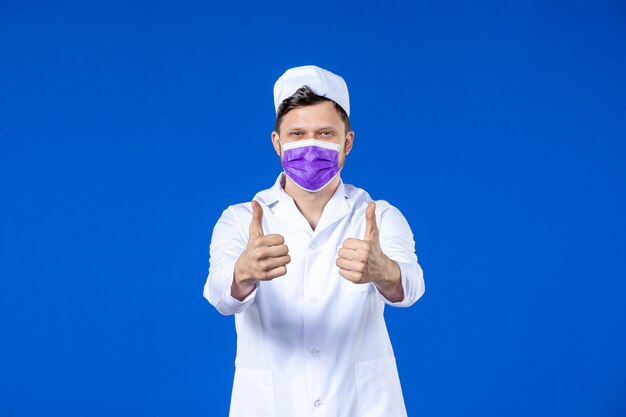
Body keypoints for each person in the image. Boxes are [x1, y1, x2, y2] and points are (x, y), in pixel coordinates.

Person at [204, 65, 425, 417]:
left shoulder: (378, 216)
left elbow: (411, 288)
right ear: (277, 142)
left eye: (324, 134)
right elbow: (219, 295)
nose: (310, 147)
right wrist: (243, 272)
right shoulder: (240, 219)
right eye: (296, 133)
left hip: (361, 406)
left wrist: (385, 271)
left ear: (347, 142)